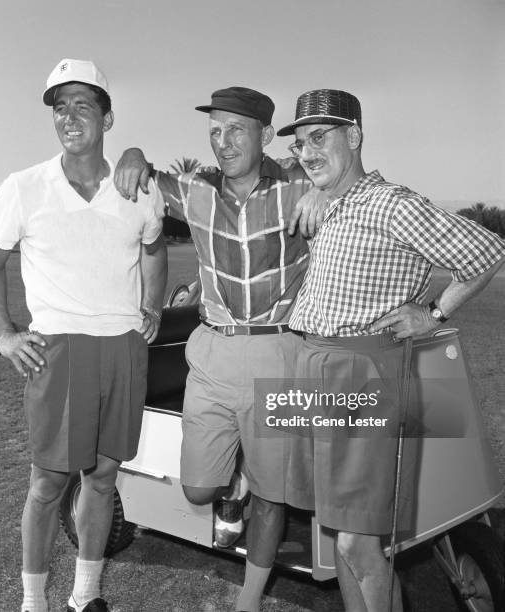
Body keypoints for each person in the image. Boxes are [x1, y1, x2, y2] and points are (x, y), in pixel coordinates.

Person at [276, 88, 505, 612]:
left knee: (358, 540)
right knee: (339, 533)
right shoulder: (333, 201)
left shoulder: (391, 204)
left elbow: (487, 250)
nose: (308, 152)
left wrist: (436, 314)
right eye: (301, 143)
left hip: (363, 370)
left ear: (354, 136)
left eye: (321, 138)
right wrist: (315, 189)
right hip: (319, 365)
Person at [115, 86, 323, 612]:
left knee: (274, 496)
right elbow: (142, 176)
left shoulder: (301, 184)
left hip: (280, 354)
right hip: (211, 355)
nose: (222, 143)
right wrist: (133, 153)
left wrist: (329, 190)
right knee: (197, 490)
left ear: (266, 136)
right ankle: (234, 485)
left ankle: (250, 597)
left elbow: (360, 183)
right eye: (214, 132)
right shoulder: (194, 189)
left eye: (235, 130)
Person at [0, 58, 167, 612]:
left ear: (108, 118)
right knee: (47, 484)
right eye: (60, 107)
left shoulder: (140, 188)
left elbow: (154, 249)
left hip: (123, 348)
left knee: (105, 478)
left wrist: (152, 304)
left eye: (83, 104)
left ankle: (86, 596)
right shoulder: (24, 186)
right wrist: (6, 334)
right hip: (58, 349)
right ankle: (33, 602)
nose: (69, 116)